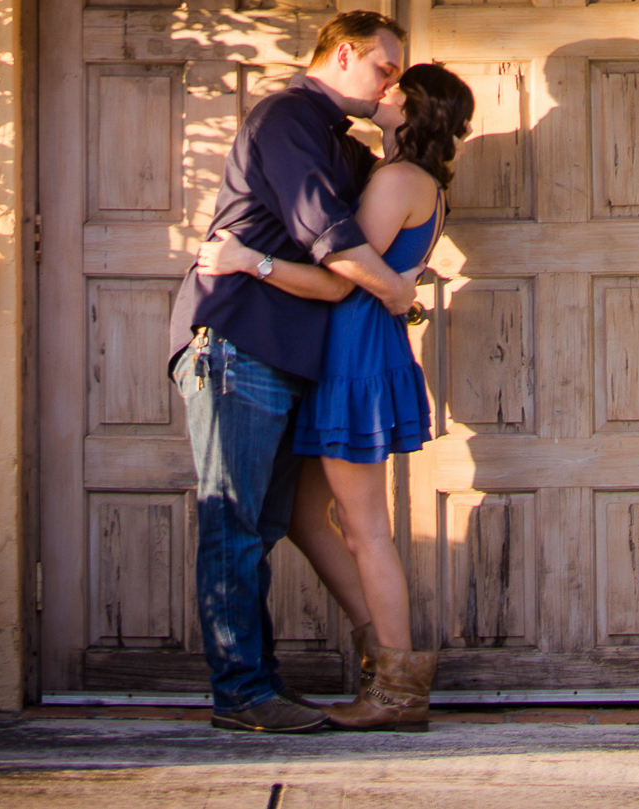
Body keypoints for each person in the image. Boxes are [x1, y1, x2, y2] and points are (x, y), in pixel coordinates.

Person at [202, 63, 474, 734]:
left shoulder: (396, 180)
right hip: (350, 351)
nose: (378, 92)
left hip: (354, 354)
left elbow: (340, 274)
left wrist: (251, 260)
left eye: (391, 86)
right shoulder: (408, 178)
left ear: (410, 104)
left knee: (365, 528)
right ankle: (380, 652)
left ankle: (397, 687)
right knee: (300, 511)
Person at [176, 10, 423, 734]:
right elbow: (333, 242)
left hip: (284, 355)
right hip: (238, 342)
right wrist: (396, 290)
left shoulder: (337, 143)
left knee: (266, 520)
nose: (391, 83)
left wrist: (397, 124)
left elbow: (393, 196)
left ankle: (276, 681)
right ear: (342, 52)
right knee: (236, 522)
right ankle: (244, 694)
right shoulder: (286, 118)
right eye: (385, 68)